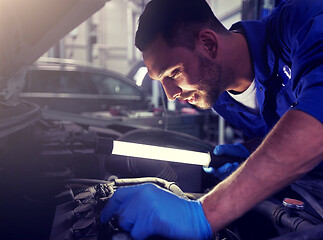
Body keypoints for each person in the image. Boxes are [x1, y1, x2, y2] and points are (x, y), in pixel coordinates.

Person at [100, 0, 323, 239]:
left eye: (173, 73)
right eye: (161, 81)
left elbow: (316, 123)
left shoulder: (302, 21)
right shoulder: (220, 99)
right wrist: (250, 152)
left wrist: (203, 214)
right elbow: (279, 133)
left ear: (208, 43)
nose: (171, 94)